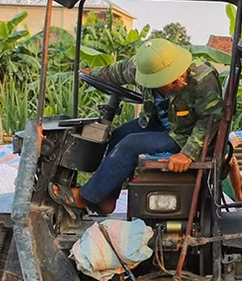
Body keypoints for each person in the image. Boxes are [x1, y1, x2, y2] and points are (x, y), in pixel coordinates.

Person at [52, 38, 224, 214]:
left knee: (130, 145)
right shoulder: (140, 68)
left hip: (186, 135)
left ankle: (86, 197)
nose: (181, 81)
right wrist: (91, 73)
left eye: (179, 75)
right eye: (171, 80)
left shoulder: (203, 79)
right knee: (119, 135)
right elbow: (116, 71)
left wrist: (188, 154)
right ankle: (106, 200)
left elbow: (210, 120)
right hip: (157, 124)